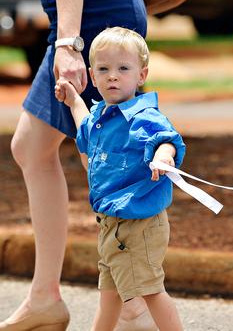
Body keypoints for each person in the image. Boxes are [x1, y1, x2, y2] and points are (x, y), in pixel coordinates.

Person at [0, 0, 154, 330]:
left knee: (108, 169)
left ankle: (135, 308)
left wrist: (68, 43)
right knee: (32, 148)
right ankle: (45, 298)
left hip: (88, 25)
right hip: (82, 19)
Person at [55, 26, 185, 331]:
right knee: (109, 296)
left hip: (138, 224)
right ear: (93, 75)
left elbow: (167, 138)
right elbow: (83, 127)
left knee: (151, 291)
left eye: (123, 68)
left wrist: (164, 156)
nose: (113, 76)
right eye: (104, 69)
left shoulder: (143, 116)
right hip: (111, 224)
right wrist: (74, 100)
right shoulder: (101, 117)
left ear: (141, 75)